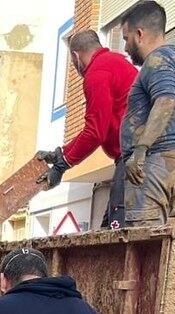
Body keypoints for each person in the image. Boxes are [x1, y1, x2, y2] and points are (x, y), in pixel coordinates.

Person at [36, 30, 138, 228]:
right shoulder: (115, 63)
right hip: (134, 156)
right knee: (108, 228)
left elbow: (94, 132)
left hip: (134, 158)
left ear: (75, 56)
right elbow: (98, 126)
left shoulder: (97, 73)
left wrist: (62, 165)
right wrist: (60, 153)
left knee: (117, 233)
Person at [119, 1, 175, 227]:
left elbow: (165, 101)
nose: (125, 48)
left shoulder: (158, 60)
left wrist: (140, 151)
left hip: (152, 164)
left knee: (144, 245)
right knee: (158, 243)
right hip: (170, 164)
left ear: (139, 34)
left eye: (126, 39)